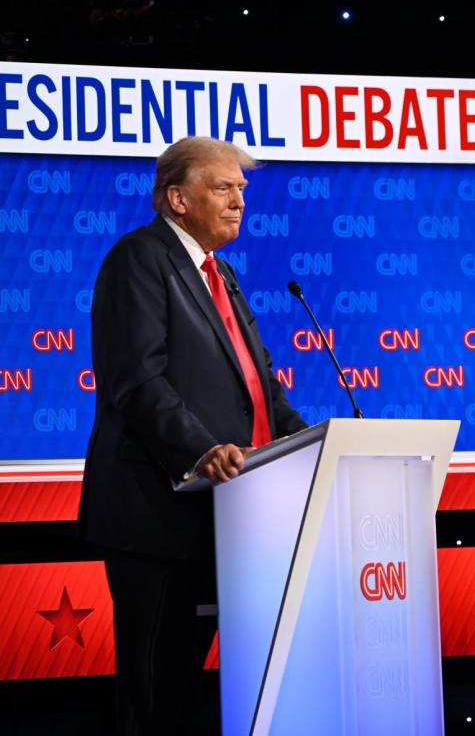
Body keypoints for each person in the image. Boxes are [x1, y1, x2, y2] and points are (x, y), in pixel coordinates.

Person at [78, 136, 307, 735]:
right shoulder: (140, 258)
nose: (238, 201)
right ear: (177, 198)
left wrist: (312, 444)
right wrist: (200, 448)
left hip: (227, 513)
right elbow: (136, 378)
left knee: (191, 695)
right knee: (155, 694)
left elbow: (261, 385)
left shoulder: (220, 273)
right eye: (223, 187)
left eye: (241, 190)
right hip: (158, 515)